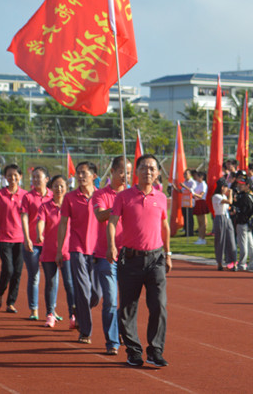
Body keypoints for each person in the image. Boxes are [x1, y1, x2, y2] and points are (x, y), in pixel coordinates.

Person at [107, 154, 172, 367]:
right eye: (144, 168)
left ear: (157, 173)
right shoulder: (124, 196)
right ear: (136, 171)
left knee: (159, 306)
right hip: (130, 260)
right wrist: (112, 246)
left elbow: (165, 227)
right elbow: (112, 222)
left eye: (152, 168)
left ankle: (155, 351)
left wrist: (169, 254)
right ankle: (133, 351)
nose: (148, 172)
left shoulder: (161, 197)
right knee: (127, 308)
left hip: (156, 259)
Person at [58, 161, 99, 344]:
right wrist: (61, 249)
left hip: (98, 249)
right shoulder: (70, 197)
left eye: (84, 173)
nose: (80, 176)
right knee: (83, 290)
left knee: (96, 294)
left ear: (93, 176)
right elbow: (63, 224)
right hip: (77, 249)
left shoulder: (101, 196)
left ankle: (79, 311)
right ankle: (85, 331)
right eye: (78, 173)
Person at [92, 156, 129, 355]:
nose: (126, 176)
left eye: (129, 172)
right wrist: (120, 204)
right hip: (106, 254)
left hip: (130, 254)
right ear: (113, 171)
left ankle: (123, 331)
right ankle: (112, 341)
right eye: (122, 171)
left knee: (127, 301)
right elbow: (99, 216)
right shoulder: (101, 194)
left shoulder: (133, 194)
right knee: (111, 299)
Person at [37, 175, 75, 328]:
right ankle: (50, 314)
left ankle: (73, 315)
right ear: (51, 188)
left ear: (66, 187)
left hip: (68, 251)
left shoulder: (71, 205)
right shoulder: (45, 206)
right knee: (51, 284)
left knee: (70, 284)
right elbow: (41, 221)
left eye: (62, 186)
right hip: (50, 250)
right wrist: (39, 233)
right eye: (56, 186)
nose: (59, 189)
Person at [0, 164, 28, 313]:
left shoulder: (25, 195)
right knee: (8, 269)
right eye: (9, 175)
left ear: (20, 177)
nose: (12, 178)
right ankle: (0, 293)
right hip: (4, 238)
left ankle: (11, 302)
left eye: (15, 175)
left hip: (20, 239)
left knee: (17, 272)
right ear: (5, 177)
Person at [20, 166, 52, 320]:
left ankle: (51, 310)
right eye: (33, 177)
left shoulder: (53, 196)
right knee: (34, 276)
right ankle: (34, 309)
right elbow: (24, 218)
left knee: (52, 278)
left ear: (47, 179)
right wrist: (27, 238)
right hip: (32, 243)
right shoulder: (28, 197)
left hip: (50, 243)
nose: (35, 179)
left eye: (38, 176)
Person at [232, 177, 253, 271]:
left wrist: (235, 206)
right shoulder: (251, 195)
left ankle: (242, 264)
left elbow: (241, 210)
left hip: (243, 222)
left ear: (247, 186)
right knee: (250, 244)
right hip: (248, 223)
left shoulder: (245, 197)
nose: (239, 186)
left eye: (242, 184)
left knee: (243, 244)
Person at [211, 179, 236, 270]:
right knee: (220, 241)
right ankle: (220, 262)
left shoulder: (222, 196)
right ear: (222, 187)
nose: (227, 189)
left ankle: (233, 261)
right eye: (226, 187)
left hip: (227, 218)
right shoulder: (216, 196)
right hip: (219, 218)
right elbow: (229, 201)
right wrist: (230, 194)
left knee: (231, 240)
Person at [191, 171, 209, 245]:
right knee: (199, 222)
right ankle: (200, 237)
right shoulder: (198, 184)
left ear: (201, 177)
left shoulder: (203, 184)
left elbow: (201, 195)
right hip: (197, 202)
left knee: (202, 223)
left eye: (198, 176)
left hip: (202, 202)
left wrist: (193, 193)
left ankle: (203, 238)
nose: (196, 178)